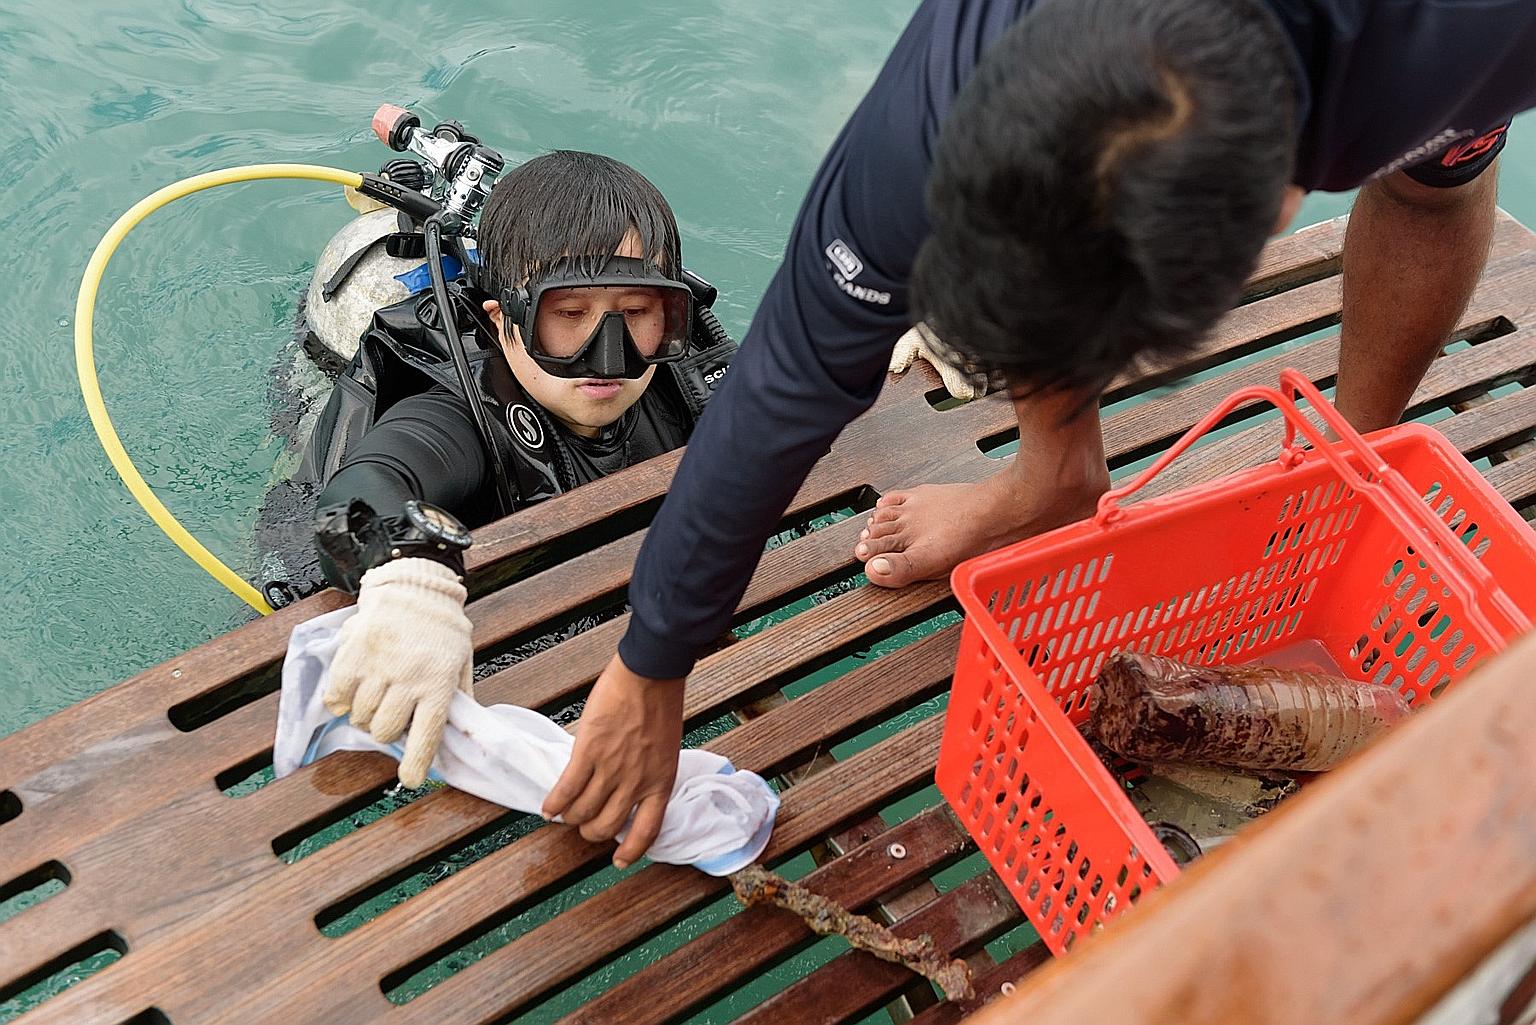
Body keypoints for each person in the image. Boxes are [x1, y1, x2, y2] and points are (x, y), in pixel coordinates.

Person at [542, 0, 1536, 869]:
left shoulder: (1466, 33)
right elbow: (789, 374)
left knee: (1431, 176)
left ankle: (1346, 462)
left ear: (1284, 196)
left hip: (1411, 54)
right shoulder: (932, 107)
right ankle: (1055, 470)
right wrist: (651, 659)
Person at [299, 150, 736, 789]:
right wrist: (406, 580)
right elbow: (362, 491)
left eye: (637, 314)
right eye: (568, 317)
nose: (607, 357)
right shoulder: (456, 414)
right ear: (504, 322)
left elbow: (790, 390)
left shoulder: (674, 372)